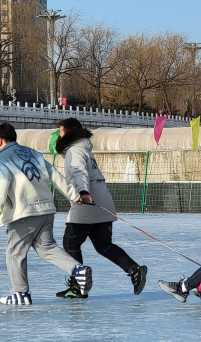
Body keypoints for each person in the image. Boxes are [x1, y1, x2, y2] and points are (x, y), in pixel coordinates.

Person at [0, 122, 93, 305]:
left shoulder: (1, 159)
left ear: (0, 141)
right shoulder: (33, 153)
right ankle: (77, 270)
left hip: (23, 213)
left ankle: (20, 294)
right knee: (46, 248)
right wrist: (74, 195)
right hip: (46, 210)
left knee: (15, 252)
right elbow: (55, 175)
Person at [54, 118, 147, 299]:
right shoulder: (85, 149)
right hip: (103, 203)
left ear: (70, 132)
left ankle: (78, 285)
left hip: (86, 202)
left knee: (70, 243)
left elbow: (80, 173)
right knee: (103, 245)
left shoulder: (75, 151)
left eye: (61, 131)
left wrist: (82, 191)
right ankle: (134, 270)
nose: (59, 135)